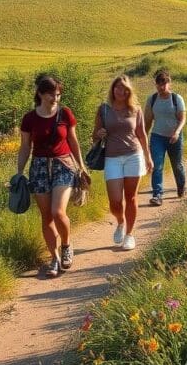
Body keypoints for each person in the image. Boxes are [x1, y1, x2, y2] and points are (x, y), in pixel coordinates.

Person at [17, 75, 86, 277]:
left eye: (57, 94)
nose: (55, 98)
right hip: (38, 167)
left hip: (63, 164)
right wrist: (19, 173)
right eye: (51, 94)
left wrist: (81, 166)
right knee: (46, 216)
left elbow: (73, 141)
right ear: (40, 94)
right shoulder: (29, 118)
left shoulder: (65, 114)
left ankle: (66, 246)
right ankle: (54, 258)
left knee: (57, 212)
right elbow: (24, 148)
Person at [93, 75, 153, 251]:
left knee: (131, 197)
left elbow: (142, 134)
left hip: (134, 155)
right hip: (112, 158)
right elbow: (94, 134)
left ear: (129, 91)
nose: (121, 91)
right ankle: (120, 221)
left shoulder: (136, 110)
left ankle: (129, 234)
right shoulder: (104, 110)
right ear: (113, 89)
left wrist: (148, 158)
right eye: (118, 88)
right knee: (115, 201)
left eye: (125, 88)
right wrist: (100, 133)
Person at [144, 69, 187, 206]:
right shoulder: (152, 100)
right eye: (158, 85)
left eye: (164, 84)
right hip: (157, 137)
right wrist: (143, 139)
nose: (161, 87)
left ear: (169, 83)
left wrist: (177, 132)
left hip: (174, 137)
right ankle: (157, 194)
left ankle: (181, 187)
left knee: (177, 165)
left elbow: (182, 119)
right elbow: (148, 121)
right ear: (155, 85)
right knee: (157, 165)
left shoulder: (176, 99)